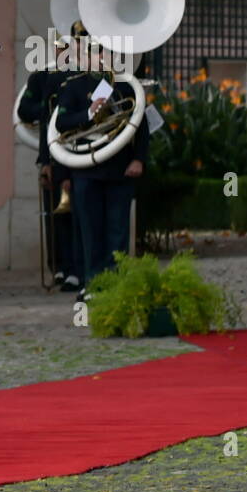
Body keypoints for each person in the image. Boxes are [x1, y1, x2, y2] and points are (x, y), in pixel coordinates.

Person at [53, 36, 149, 298]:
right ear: (85, 57)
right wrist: (88, 114)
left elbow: (141, 126)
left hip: (120, 169)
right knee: (90, 229)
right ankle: (92, 282)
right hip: (87, 168)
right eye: (96, 53)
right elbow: (61, 123)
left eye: (106, 52)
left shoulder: (127, 87)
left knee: (117, 231)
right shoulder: (74, 87)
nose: (101, 57)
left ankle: (117, 283)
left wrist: (138, 158)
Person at [18, 27, 82, 293]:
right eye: (61, 48)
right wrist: (45, 160)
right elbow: (29, 112)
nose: (64, 53)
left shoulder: (87, 77)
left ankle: (78, 270)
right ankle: (60, 267)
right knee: (57, 215)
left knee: (81, 216)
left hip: (82, 152)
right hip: (56, 153)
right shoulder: (44, 77)